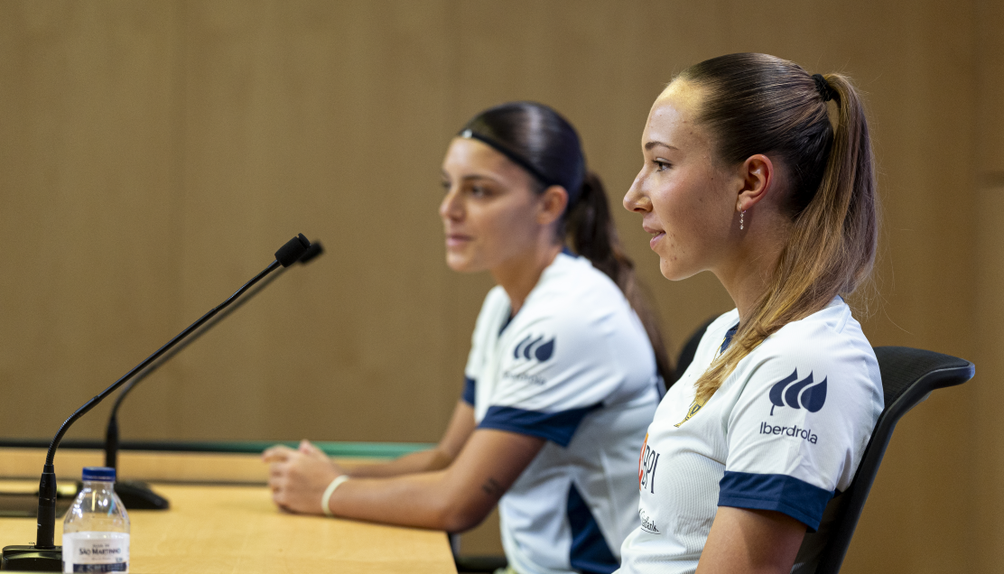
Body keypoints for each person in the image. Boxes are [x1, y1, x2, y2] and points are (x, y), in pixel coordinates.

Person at [264, 101, 671, 574]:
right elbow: (447, 459)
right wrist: (335, 476)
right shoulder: (506, 303)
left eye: (478, 191)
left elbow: (459, 504)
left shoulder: (570, 316)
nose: (448, 209)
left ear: (549, 204)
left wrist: (328, 493)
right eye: (448, 186)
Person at [616, 53, 885, 574]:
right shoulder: (726, 333)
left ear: (751, 181)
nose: (634, 196)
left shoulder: (806, 363)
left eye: (662, 164)